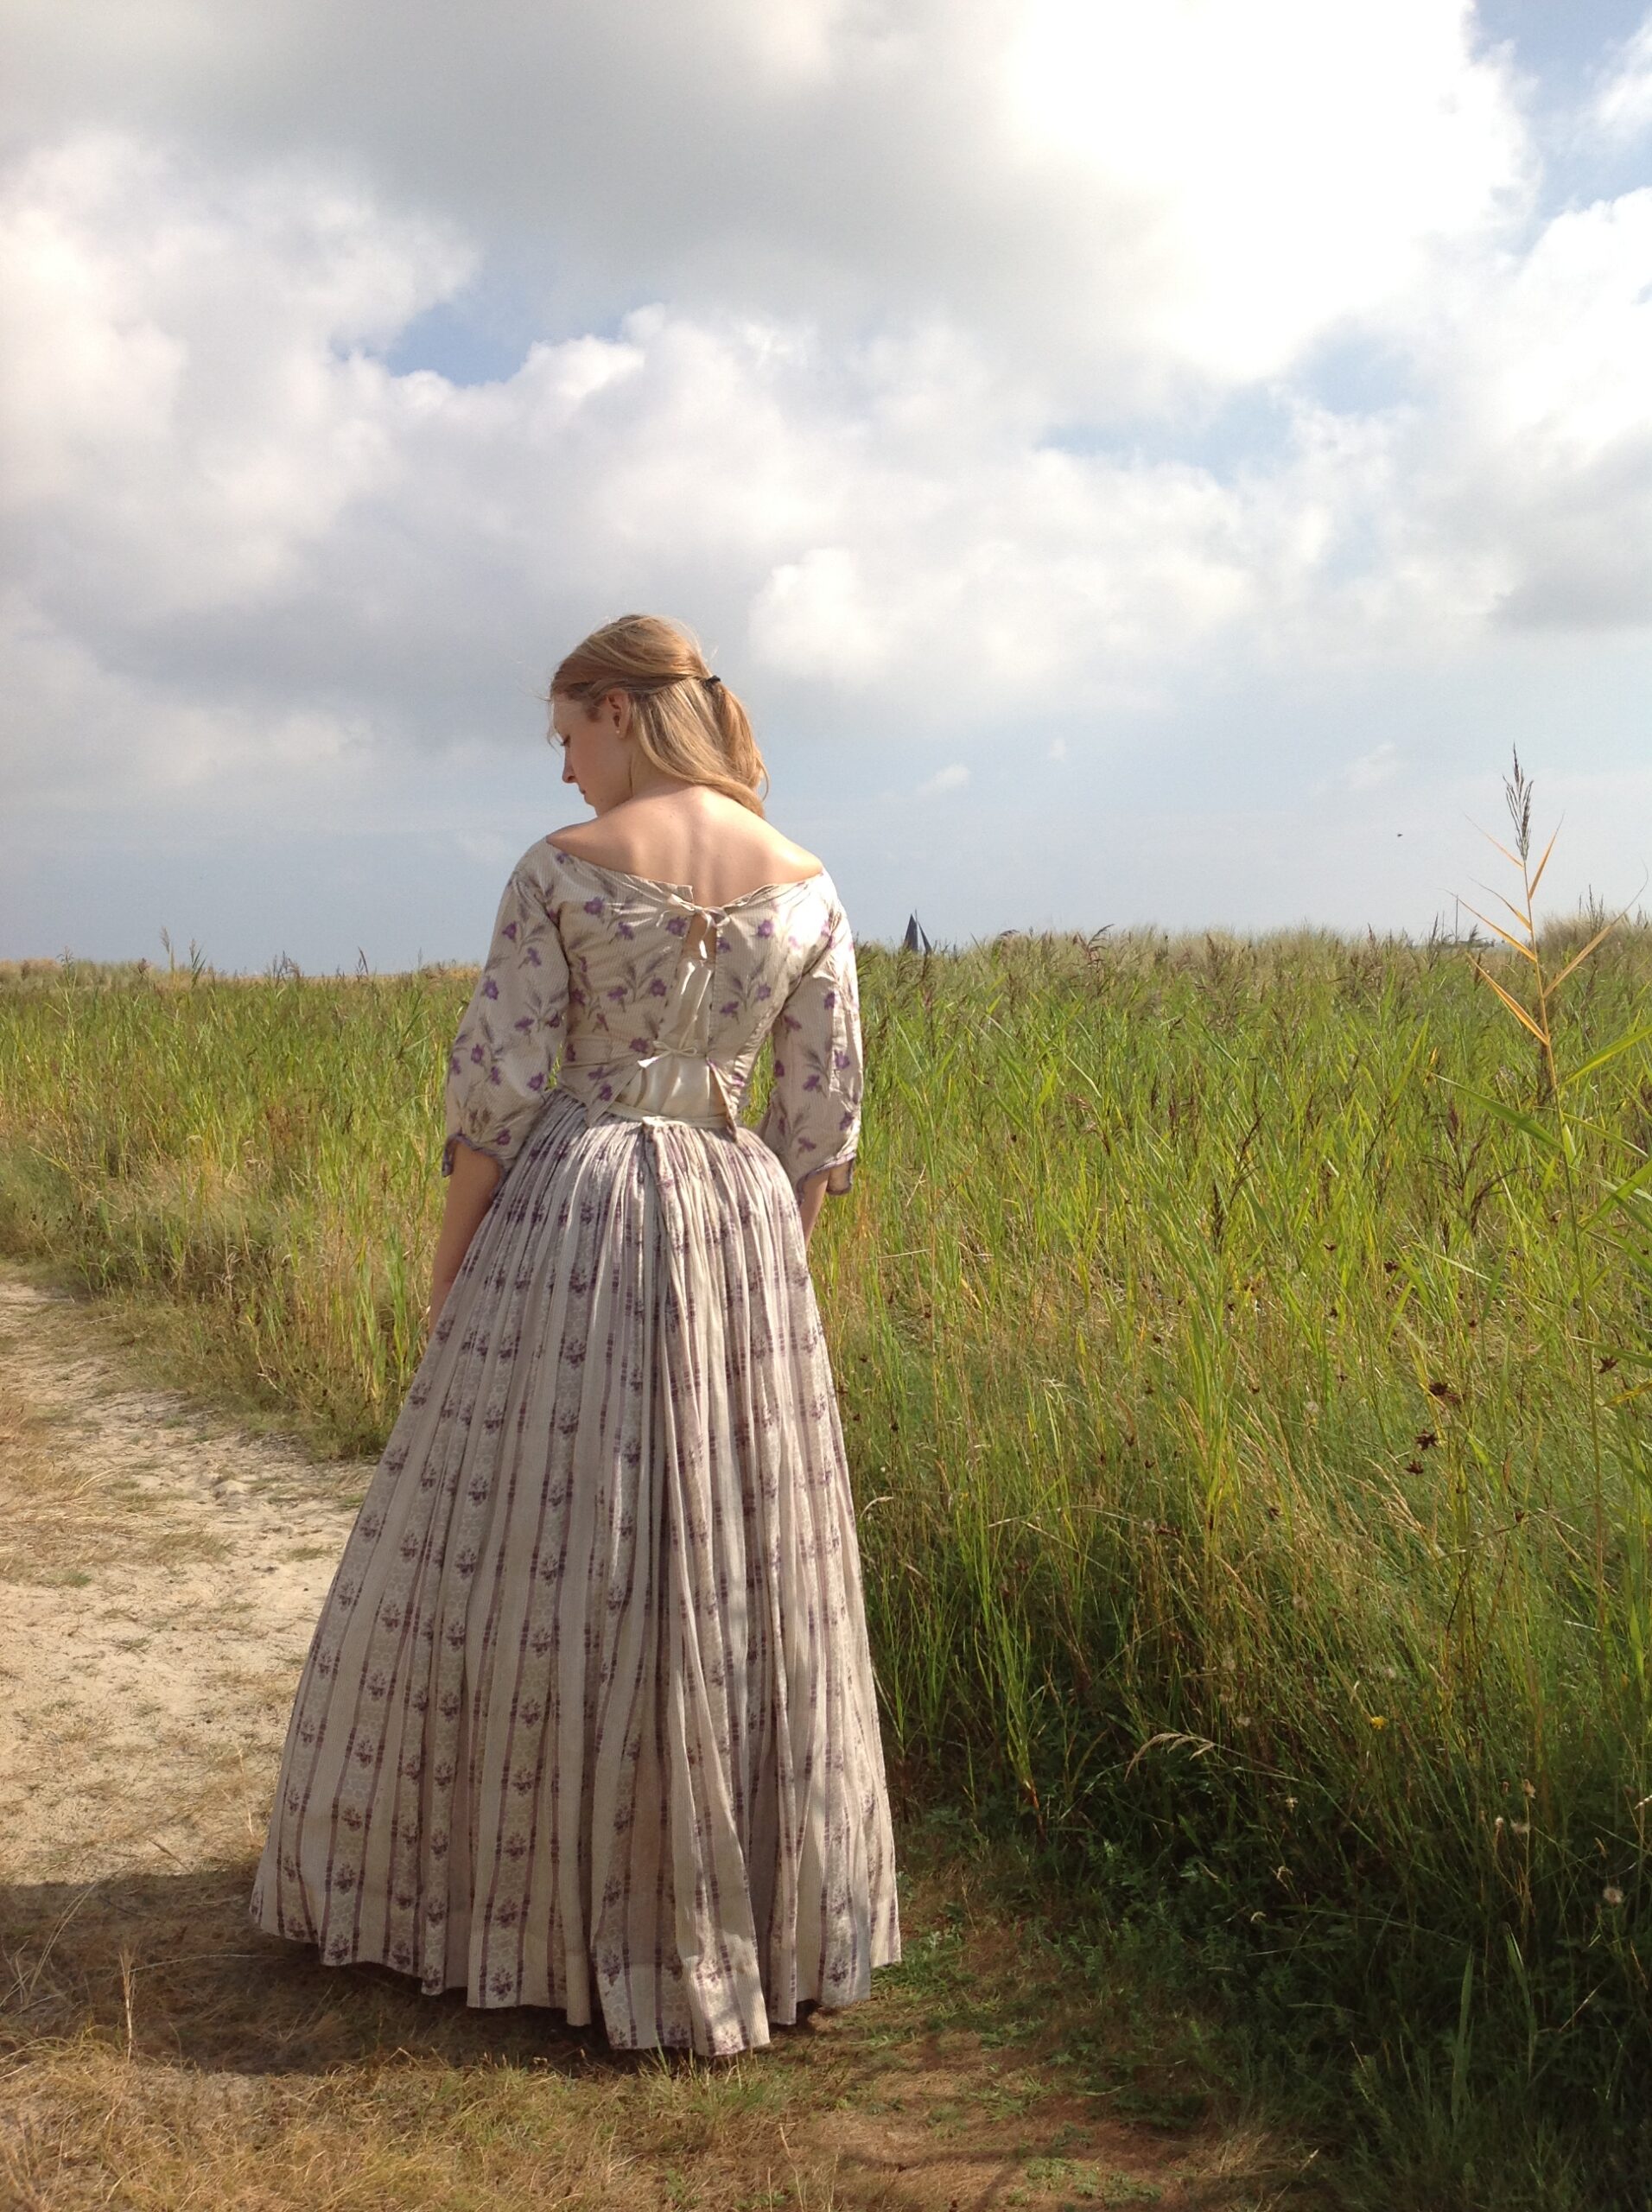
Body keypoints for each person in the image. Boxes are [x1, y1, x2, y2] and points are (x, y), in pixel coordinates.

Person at [250, 614, 900, 2056]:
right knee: (732, 1555)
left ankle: (518, 1900)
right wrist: (770, 1284)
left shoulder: (562, 873)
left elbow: (497, 1086)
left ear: (620, 709)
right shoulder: (813, 889)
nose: (565, 769)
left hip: (580, 1204)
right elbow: (821, 1121)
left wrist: (449, 1266)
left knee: (538, 1528)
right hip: (736, 1219)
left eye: (567, 734)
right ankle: (730, 1916)